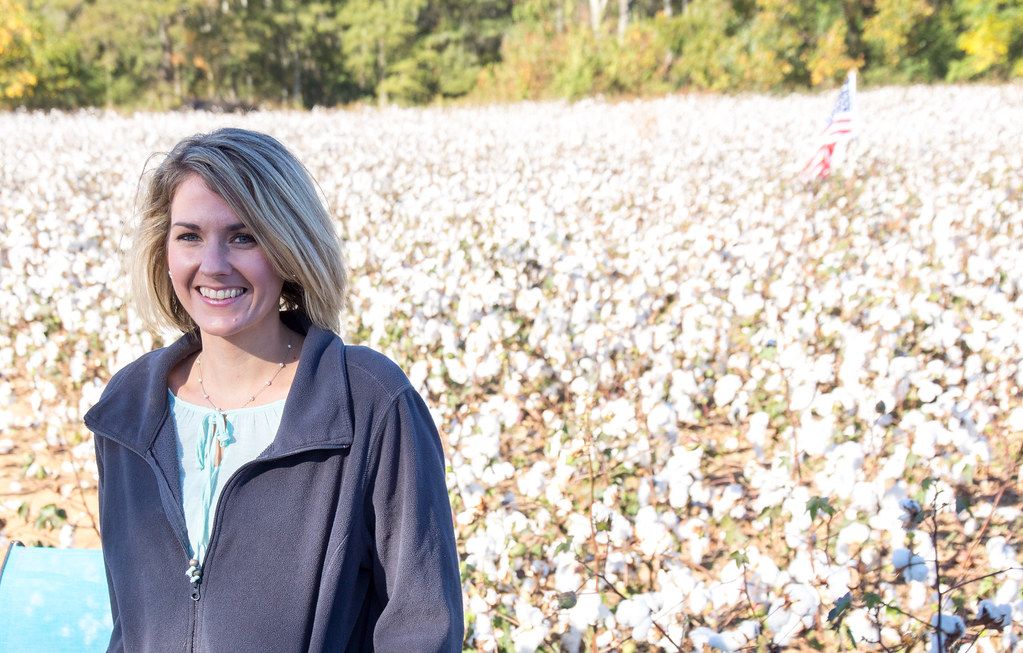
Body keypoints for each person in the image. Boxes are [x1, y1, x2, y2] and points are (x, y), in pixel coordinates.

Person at [84, 128, 463, 652]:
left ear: (289, 248)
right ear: (163, 250)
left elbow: (423, 626)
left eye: (244, 237)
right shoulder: (129, 411)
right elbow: (130, 625)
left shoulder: (369, 402)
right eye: (189, 235)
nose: (212, 265)